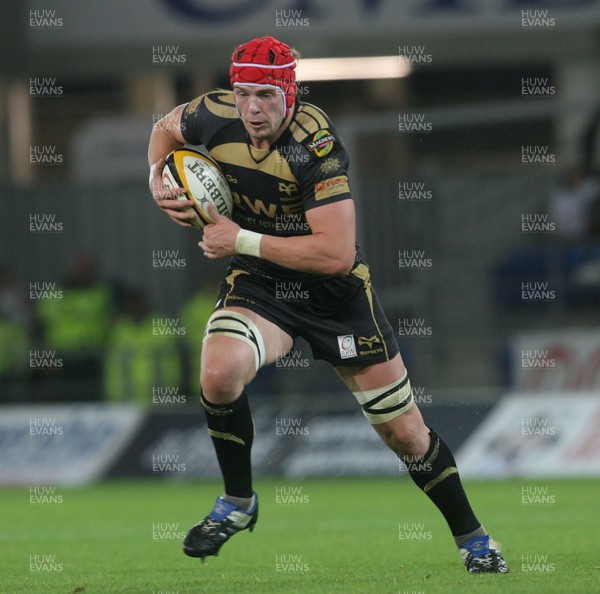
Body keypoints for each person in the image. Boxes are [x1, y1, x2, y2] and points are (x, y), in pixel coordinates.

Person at [147, 35, 509, 574]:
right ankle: (239, 501)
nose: (252, 108)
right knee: (219, 373)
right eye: (244, 93)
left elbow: (335, 254)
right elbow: (164, 128)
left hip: (335, 296)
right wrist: (157, 179)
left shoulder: (314, 144)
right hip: (262, 284)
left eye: (266, 96)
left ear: (290, 94)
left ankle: (475, 540)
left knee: (405, 434)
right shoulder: (212, 114)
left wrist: (238, 239)